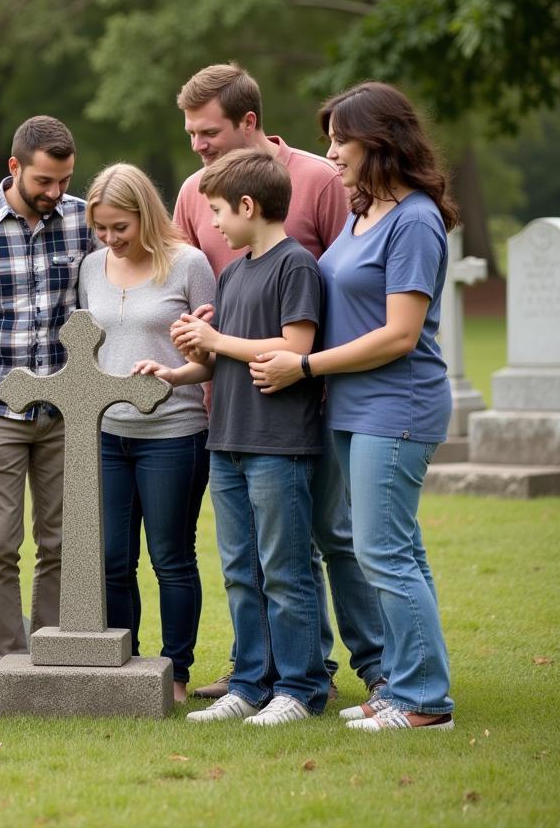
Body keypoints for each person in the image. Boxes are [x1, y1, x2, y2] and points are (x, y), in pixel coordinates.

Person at [173, 63, 384, 702]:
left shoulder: (320, 181)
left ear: (250, 122)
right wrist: (195, 340)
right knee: (251, 558)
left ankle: (372, 671)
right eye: (190, 133)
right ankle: (259, 673)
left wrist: (291, 359)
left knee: (327, 542)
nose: (198, 145)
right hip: (234, 409)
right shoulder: (195, 197)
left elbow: (344, 277)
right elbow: (197, 275)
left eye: (209, 131)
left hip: (308, 402)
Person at [249, 82, 457, 731]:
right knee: (390, 549)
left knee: (383, 552)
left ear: (381, 141)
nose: (331, 152)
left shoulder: (416, 218)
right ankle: (401, 685)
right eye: (330, 139)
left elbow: (399, 333)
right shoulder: (362, 211)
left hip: (396, 406)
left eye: (343, 139)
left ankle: (424, 702)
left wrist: (304, 365)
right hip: (351, 407)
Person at [137, 149, 329, 725]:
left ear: (249, 206)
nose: (213, 223)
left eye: (218, 211)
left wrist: (216, 340)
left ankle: (300, 688)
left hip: (280, 445)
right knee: (241, 570)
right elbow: (224, 359)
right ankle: (249, 684)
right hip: (228, 442)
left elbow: (296, 350)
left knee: (285, 570)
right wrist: (181, 367)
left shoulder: (296, 266)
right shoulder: (233, 271)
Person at [0, 115, 97, 667]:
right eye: (44, 182)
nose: (55, 194)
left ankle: (54, 658)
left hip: (65, 411)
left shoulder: (83, 220)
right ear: (15, 168)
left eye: (64, 181)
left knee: (61, 544)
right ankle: (5, 663)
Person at [78, 163, 214, 702]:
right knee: (112, 558)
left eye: (120, 228)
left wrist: (174, 372)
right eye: (101, 229)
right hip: (108, 434)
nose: (110, 239)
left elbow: (212, 359)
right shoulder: (90, 268)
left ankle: (176, 673)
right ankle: (128, 665)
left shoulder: (189, 265)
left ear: (146, 217)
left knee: (170, 556)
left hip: (175, 432)